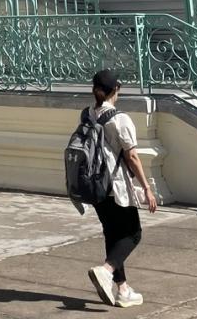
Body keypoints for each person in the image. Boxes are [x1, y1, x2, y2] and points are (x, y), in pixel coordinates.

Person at [87, 68, 157, 308]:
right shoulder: (120, 119)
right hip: (115, 186)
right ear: (115, 90)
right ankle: (106, 271)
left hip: (95, 186)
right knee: (133, 234)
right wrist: (146, 187)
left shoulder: (88, 114)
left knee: (112, 234)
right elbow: (132, 156)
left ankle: (123, 290)